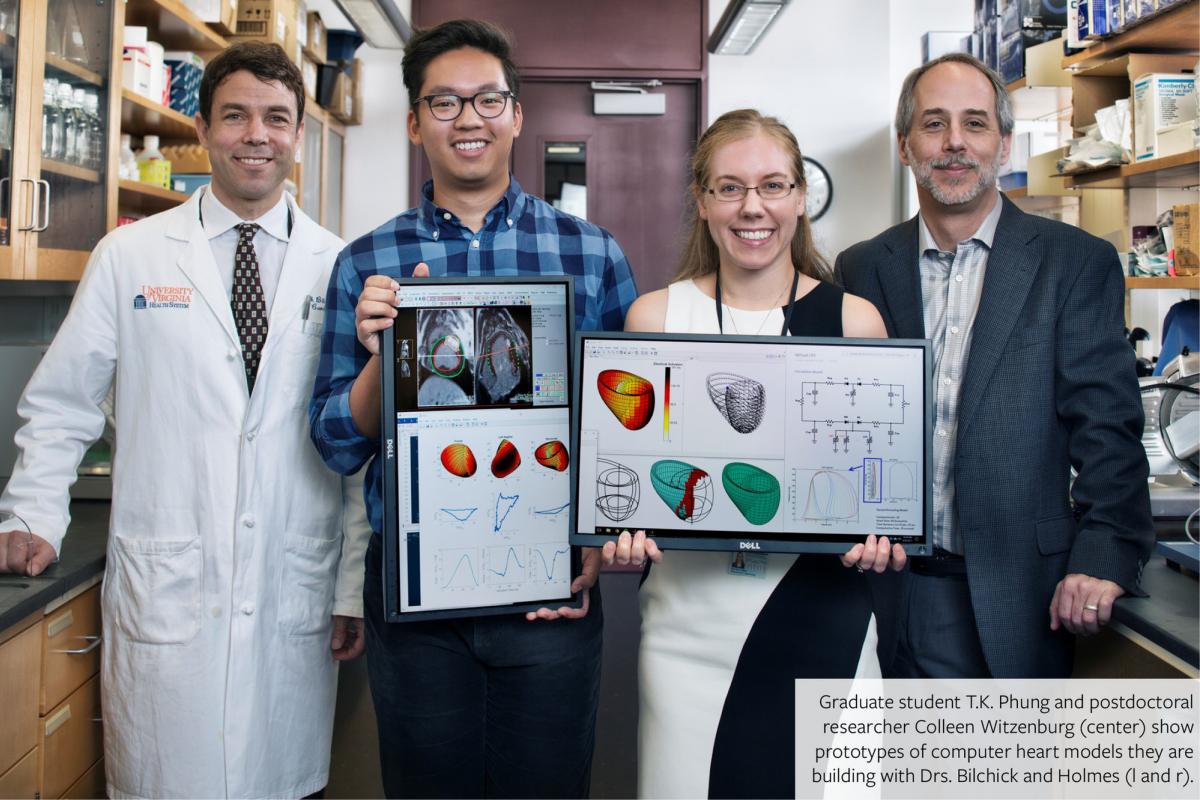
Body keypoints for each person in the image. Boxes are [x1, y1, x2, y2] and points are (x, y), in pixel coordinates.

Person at [0, 41, 370, 798]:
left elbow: (357, 443)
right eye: (235, 116)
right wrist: (32, 515)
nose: (255, 135)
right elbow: (61, 401)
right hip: (167, 587)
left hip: (288, 587)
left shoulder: (343, 268)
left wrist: (350, 586)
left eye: (275, 118)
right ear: (204, 129)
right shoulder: (129, 256)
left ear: (299, 134)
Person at [308, 19, 638, 799]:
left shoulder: (591, 253)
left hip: (549, 589)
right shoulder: (366, 262)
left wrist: (595, 537)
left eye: (488, 100)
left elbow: (626, 426)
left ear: (517, 115)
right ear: (416, 120)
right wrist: (384, 361)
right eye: (445, 102)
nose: (469, 119)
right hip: (418, 598)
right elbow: (333, 441)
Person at [612, 109, 905, 800]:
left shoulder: (854, 322)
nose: (754, 207)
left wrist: (884, 536)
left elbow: (877, 488)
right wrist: (620, 533)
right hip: (686, 632)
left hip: (824, 618)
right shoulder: (654, 319)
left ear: (801, 197)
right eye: (730, 187)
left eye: (773, 186)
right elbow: (632, 481)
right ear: (702, 200)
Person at [835, 53, 1154, 679]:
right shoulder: (862, 267)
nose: (955, 142)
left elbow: (1108, 430)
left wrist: (1103, 555)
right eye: (934, 124)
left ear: (1004, 143)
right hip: (874, 592)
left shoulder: (1074, 263)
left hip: (1016, 595)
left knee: (993, 778)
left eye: (975, 123)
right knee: (872, 777)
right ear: (905, 145)